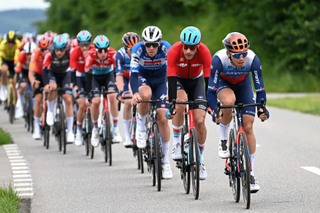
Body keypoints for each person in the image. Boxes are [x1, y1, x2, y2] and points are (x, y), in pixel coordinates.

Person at [207, 32, 270, 192]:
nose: (242, 58)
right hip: (223, 83)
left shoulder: (253, 59)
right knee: (229, 101)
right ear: (228, 53)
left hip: (243, 85)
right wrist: (215, 111)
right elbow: (211, 92)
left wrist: (262, 108)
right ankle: (223, 140)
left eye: (244, 53)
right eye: (237, 55)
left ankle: (251, 173)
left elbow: (260, 89)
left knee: (248, 127)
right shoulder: (219, 59)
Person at [166, 26, 211, 180]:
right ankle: (177, 142)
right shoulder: (173, 51)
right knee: (181, 101)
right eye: (186, 47)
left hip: (196, 82)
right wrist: (172, 103)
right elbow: (171, 80)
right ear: (182, 44)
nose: (188, 51)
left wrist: (209, 103)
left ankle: (200, 159)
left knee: (199, 121)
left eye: (192, 48)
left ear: (198, 45)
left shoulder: (205, 52)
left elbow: (208, 81)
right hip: (178, 81)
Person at [130, 26, 172, 179]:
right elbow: (133, 73)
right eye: (148, 44)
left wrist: (170, 92)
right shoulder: (138, 49)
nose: (152, 48)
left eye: (155, 44)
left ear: (160, 43)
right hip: (144, 78)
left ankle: (165, 162)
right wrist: (135, 93)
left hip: (161, 81)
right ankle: (140, 128)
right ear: (143, 43)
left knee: (163, 118)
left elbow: (171, 72)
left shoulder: (167, 48)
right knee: (145, 95)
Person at [85, 35, 121, 147]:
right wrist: (88, 95)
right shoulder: (90, 55)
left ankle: (115, 129)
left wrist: (118, 90)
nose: (103, 53)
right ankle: (95, 130)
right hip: (95, 78)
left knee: (112, 97)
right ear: (95, 50)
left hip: (108, 76)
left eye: (106, 50)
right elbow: (87, 77)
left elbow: (117, 73)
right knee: (95, 101)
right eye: (100, 51)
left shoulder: (113, 54)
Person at [42, 34, 74, 143]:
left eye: (61, 49)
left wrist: (73, 84)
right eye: (57, 49)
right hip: (53, 73)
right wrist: (46, 84)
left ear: (66, 48)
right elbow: (45, 70)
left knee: (68, 99)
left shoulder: (71, 51)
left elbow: (74, 69)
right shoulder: (49, 52)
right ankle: (50, 111)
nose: (59, 52)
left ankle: (70, 131)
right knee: (53, 87)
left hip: (66, 74)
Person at [70, 30, 95, 146]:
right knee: (81, 104)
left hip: (93, 77)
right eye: (81, 44)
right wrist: (74, 86)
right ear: (78, 43)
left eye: (86, 44)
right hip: (80, 77)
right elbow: (72, 71)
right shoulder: (75, 52)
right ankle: (78, 131)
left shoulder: (95, 50)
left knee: (95, 101)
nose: (84, 47)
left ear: (90, 43)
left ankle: (96, 125)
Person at [115, 32, 141, 148]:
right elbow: (119, 75)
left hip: (137, 76)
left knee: (143, 98)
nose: (133, 51)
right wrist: (121, 91)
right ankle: (127, 134)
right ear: (125, 48)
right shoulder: (120, 55)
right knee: (128, 102)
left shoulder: (142, 52)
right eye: (130, 49)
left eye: (135, 48)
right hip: (125, 78)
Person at [29, 36, 52, 139]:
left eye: (46, 49)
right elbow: (30, 72)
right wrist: (33, 82)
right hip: (39, 75)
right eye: (42, 50)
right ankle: (37, 126)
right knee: (38, 99)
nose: (44, 52)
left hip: (49, 75)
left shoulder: (52, 53)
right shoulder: (35, 53)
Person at [15, 41, 37, 118]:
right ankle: (20, 105)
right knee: (22, 86)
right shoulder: (21, 55)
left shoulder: (37, 55)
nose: (29, 56)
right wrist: (18, 81)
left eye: (31, 53)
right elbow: (18, 69)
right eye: (27, 54)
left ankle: (34, 105)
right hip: (24, 71)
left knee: (33, 85)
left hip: (32, 71)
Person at [0, 31, 22, 101]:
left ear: (15, 41)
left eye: (13, 42)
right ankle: (3, 87)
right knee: (4, 69)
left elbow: (19, 58)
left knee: (14, 80)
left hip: (14, 61)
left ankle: (16, 99)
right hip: (5, 60)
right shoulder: (3, 45)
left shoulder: (19, 44)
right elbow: (0, 58)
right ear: (7, 41)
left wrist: (17, 69)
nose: (11, 44)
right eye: (9, 42)